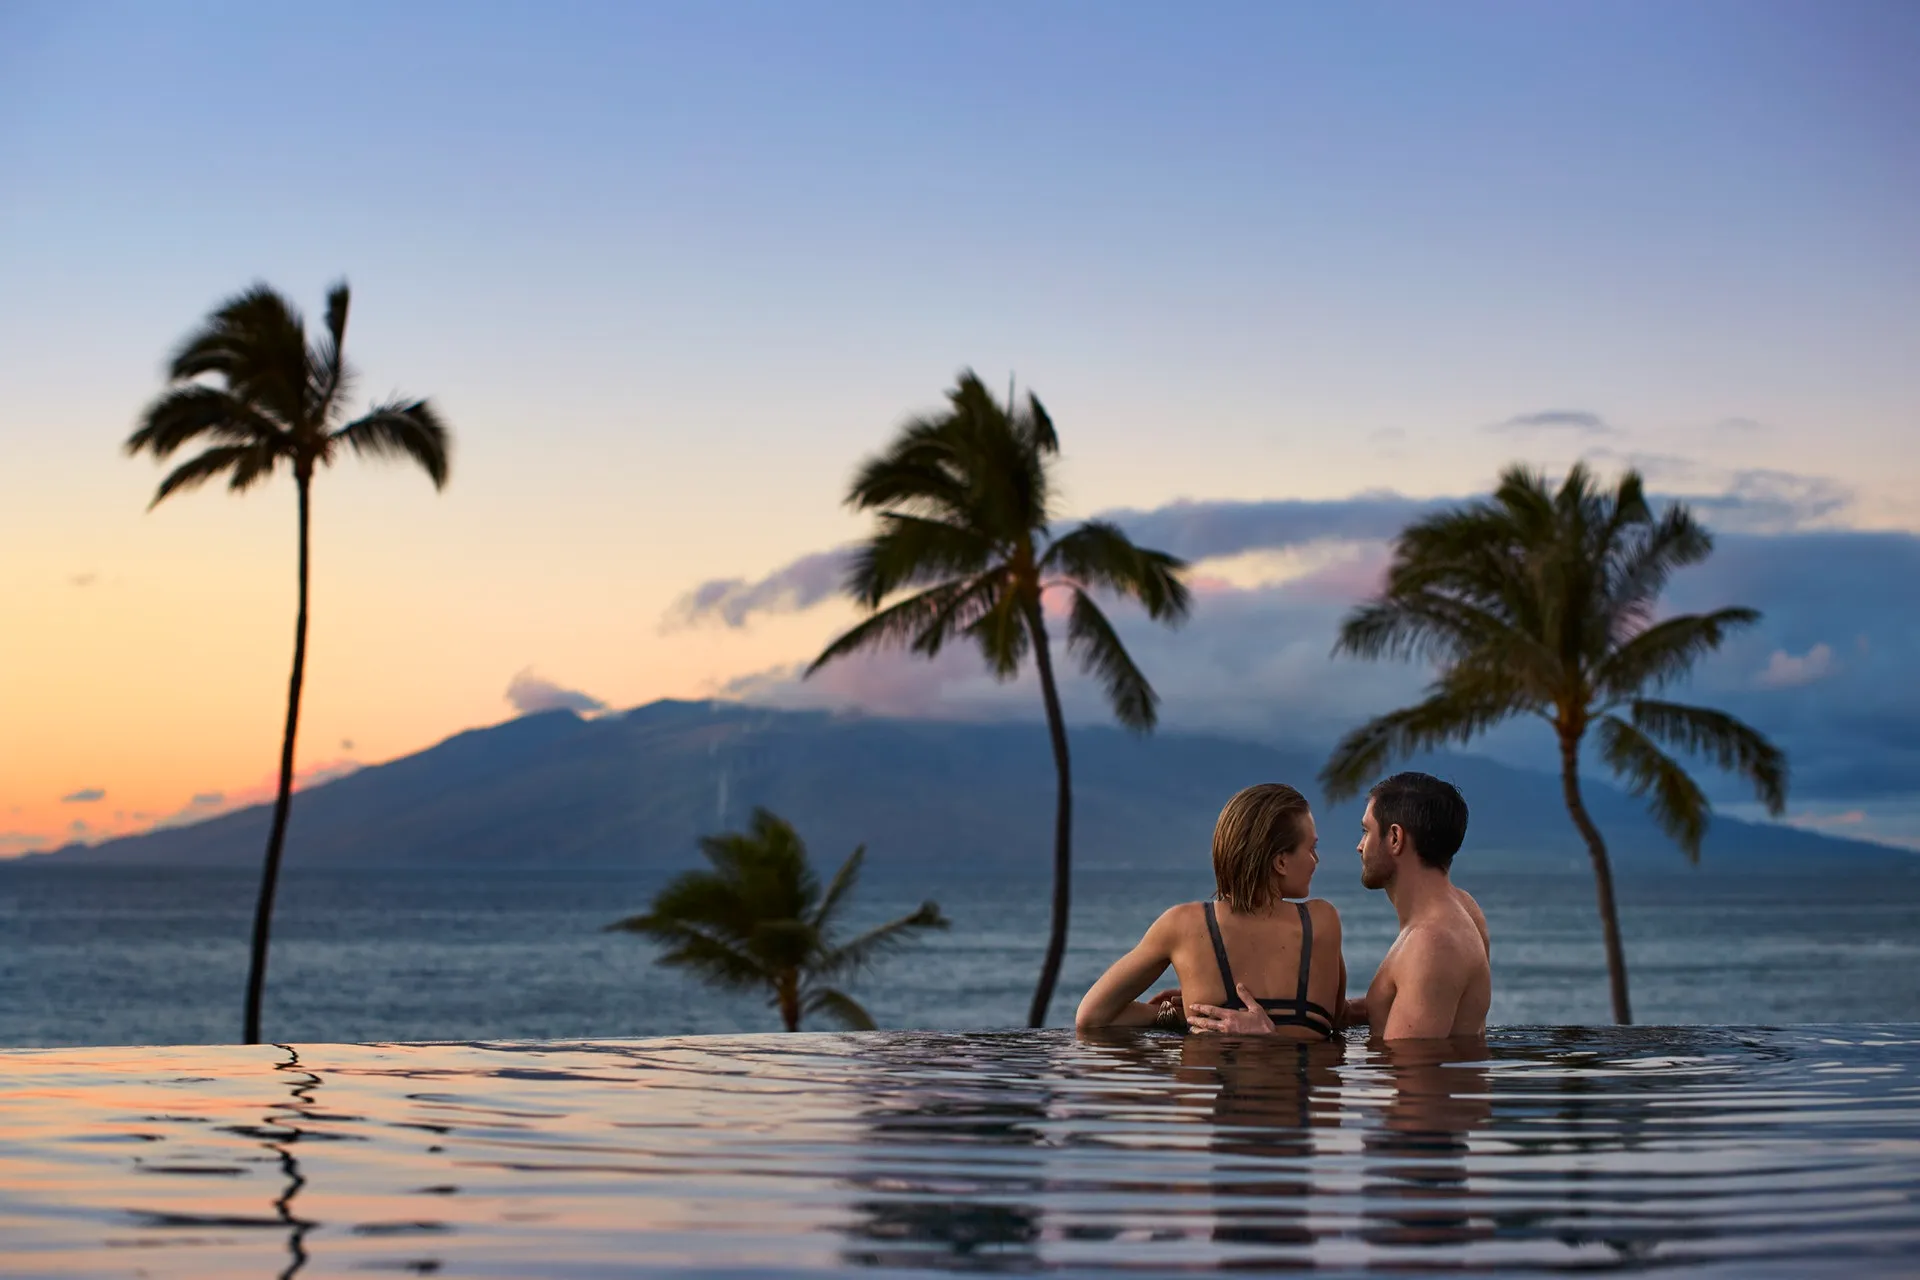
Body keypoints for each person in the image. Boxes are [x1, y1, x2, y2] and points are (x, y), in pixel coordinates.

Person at [1187, 772, 1489, 1041]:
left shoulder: (1431, 943)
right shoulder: (1463, 908)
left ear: (1395, 838)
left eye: (1366, 831)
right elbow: (1418, 1007)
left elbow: (1409, 1077)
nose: (1360, 846)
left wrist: (1269, 1036)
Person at [1075, 783, 1345, 1041]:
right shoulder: (1322, 921)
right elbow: (1336, 1017)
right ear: (1281, 862)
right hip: (1301, 1080)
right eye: (1312, 848)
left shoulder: (1184, 925)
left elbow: (1092, 1017)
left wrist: (1179, 1015)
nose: (1316, 860)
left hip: (1215, 1083)